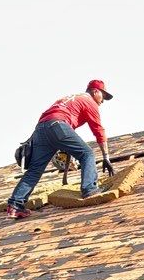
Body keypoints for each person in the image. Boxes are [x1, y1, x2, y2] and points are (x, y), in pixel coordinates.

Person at [7, 81, 115, 219]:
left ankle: (15, 206)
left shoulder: (70, 98)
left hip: (41, 128)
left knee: (34, 170)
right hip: (58, 125)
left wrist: (59, 146)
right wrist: (106, 156)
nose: (103, 101)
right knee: (87, 153)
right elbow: (98, 130)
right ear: (95, 92)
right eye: (103, 96)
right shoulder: (89, 102)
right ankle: (90, 189)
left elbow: (48, 117)